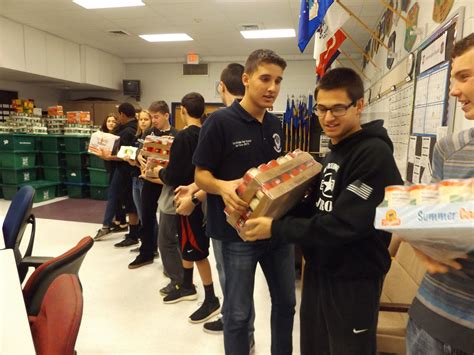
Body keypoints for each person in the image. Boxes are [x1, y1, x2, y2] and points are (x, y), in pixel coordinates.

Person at [242, 67, 403, 354]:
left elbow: (345, 224)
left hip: (353, 279)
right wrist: (269, 209)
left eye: (338, 108)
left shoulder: (373, 155)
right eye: (322, 109)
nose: (328, 118)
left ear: (359, 106)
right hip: (319, 271)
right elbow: (317, 208)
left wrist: (276, 228)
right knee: (315, 346)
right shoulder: (335, 151)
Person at [193, 49, 296, 355]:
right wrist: (223, 186)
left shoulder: (275, 125)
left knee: (287, 304)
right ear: (247, 79)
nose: (272, 88)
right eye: (265, 79)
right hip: (234, 236)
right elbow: (201, 175)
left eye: (278, 81)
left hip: (274, 230)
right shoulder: (220, 122)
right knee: (237, 314)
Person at [406, 33, 474, 355]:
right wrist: (422, 239)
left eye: (464, 76)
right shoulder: (449, 150)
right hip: (429, 321)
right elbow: (424, 216)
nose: (454, 91)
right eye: (452, 79)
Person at [154, 93, 220, 325]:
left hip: (188, 199)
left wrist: (157, 172)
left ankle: (211, 298)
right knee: (187, 245)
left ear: (182, 110)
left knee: (197, 248)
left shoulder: (183, 137)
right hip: (202, 197)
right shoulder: (207, 134)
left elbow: (173, 174)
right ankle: (187, 284)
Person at [128, 101, 179, 269]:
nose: (153, 120)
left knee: (170, 222)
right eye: (151, 117)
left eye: (156, 117)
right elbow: (140, 151)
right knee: (147, 216)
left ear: (166, 115)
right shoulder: (149, 132)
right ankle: (146, 252)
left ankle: (172, 262)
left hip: (167, 181)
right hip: (149, 180)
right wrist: (139, 156)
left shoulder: (177, 135)